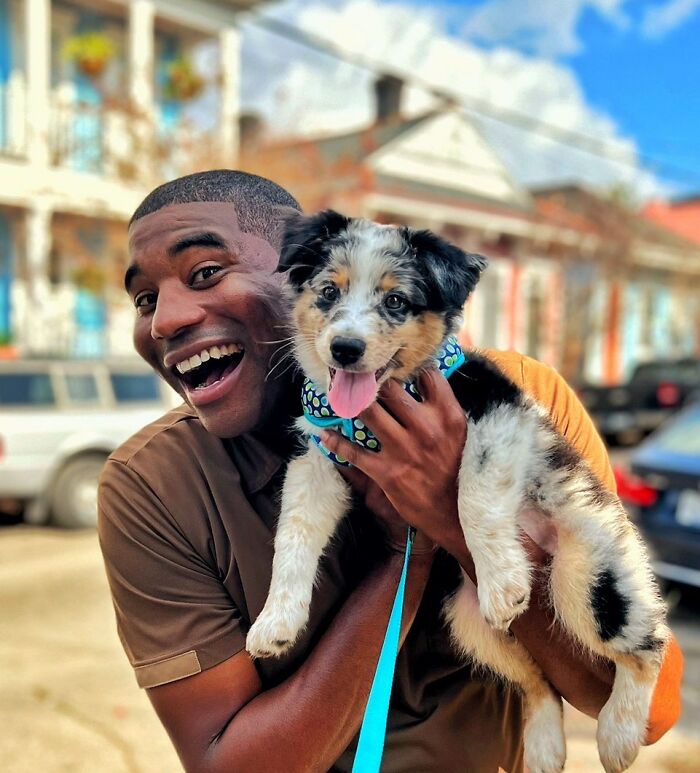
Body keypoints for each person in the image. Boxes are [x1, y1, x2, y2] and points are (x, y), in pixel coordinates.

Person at [98, 169, 683, 773]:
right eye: (144, 299)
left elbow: (653, 711)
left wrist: (450, 515)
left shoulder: (521, 393)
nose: (164, 319)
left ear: (284, 269)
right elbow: (229, 764)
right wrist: (409, 544)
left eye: (206, 272)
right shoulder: (153, 484)